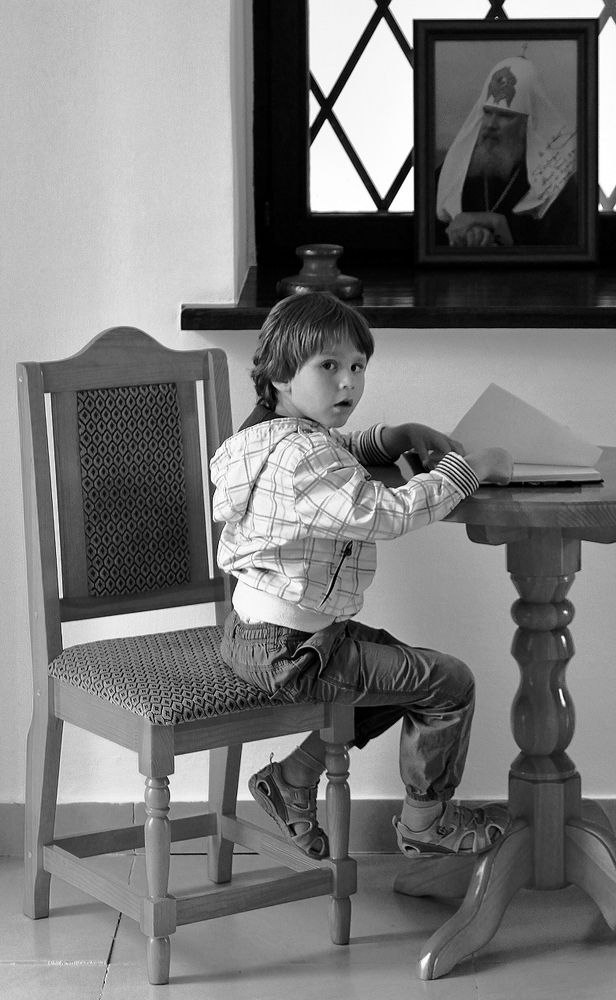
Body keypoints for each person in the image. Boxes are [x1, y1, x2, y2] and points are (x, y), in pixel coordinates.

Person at [210, 291, 513, 861]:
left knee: (403, 673)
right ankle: (426, 823)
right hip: (297, 653)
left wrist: (392, 437)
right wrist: (468, 470)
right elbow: (383, 513)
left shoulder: (265, 438)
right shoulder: (304, 459)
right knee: (448, 683)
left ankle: (293, 778)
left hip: (257, 635)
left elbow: (337, 449)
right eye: (328, 366)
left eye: (357, 366)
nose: (348, 381)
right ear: (280, 374)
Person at [436, 54, 577, 248]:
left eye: (505, 116)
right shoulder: (450, 174)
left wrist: (499, 227)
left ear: (528, 124)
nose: (490, 125)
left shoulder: (557, 185)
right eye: (487, 113)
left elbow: (560, 250)